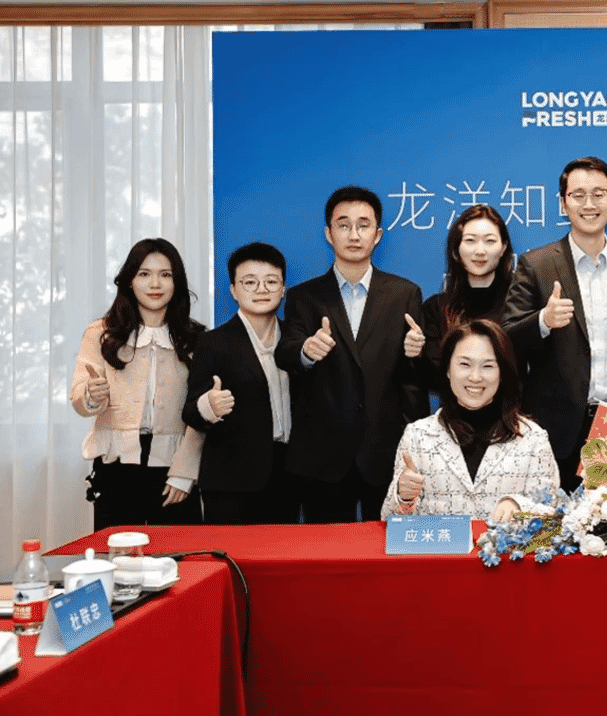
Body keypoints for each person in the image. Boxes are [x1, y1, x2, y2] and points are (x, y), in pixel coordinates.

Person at [276, 185, 429, 523]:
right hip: (323, 456)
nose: (354, 234)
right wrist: (306, 350)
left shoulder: (404, 294)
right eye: (343, 225)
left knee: (389, 559)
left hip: (386, 451)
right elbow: (285, 353)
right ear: (329, 234)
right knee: (328, 562)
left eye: (363, 225)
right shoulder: (305, 297)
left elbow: (413, 383)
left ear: (377, 235)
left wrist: (417, 354)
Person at [503, 156, 607, 491]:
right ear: (563, 202)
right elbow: (506, 339)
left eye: (599, 194)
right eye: (578, 195)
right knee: (551, 532)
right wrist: (542, 320)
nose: (589, 204)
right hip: (552, 426)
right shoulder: (535, 264)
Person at [70, 237, 205, 529]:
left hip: (174, 467)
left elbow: (201, 414)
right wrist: (91, 396)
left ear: (176, 283)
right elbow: (79, 397)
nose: (155, 284)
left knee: (179, 562)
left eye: (165, 275)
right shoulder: (100, 333)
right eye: (144, 274)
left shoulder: (197, 338)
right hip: (115, 463)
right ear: (130, 281)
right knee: (118, 561)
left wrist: (185, 472)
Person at [382, 320, 559, 520]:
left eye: (488, 366)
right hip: (439, 551)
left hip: (503, 551)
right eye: (465, 364)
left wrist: (520, 505)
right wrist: (403, 496)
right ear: (448, 369)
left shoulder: (532, 438)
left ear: (502, 373)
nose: (475, 377)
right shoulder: (418, 436)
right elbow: (389, 522)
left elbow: (552, 511)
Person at [183, 242, 297, 524]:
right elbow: (189, 412)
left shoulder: (299, 340)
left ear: (283, 289)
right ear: (233, 290)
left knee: (280, 565)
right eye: (250, 282)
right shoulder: (213, 343)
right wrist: (208, 405)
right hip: (230, 482)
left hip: (288, 478)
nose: (261, 289)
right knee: (230, 564)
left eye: (271, 281)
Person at [421, 204, 514, 395]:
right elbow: (431, 379)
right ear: (456, 250)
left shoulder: (520, 304)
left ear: (503, 247)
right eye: (470, 241)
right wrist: (415, 355)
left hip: (513, 418)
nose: (480, 251)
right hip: (452, 420)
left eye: (489, 241)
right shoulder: (436, 308)